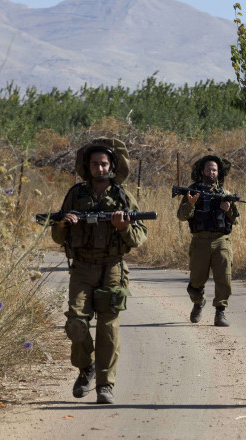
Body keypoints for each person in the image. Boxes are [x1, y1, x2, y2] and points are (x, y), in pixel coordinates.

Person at [51, 137, 147, 404]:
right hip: (81, 268)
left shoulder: (123, 197)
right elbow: (58, 238)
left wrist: (122, 227)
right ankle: (86, 369)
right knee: (76, 325)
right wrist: (63, 226)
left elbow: (139, 237)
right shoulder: (75, 195)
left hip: (112, 268)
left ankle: (105, 384)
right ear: (88, 166)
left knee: (108, 328)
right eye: (95, 164)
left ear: (112, 166)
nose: (100, 169)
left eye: (104, 164)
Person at [176, 155, 240, 327]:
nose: (211, 172)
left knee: (224, 279)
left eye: (215, 170)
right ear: (202, 171)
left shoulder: (225, 194)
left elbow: (236, 220)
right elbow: (181, 216)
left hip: (221, 241)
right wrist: (190, 203)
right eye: (209, 169)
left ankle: (220, 313)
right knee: (195, 283)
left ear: (218, 173)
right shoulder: (192, 191)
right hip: (200, 241)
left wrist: (228, 210)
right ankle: (198, 303)